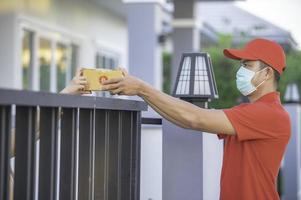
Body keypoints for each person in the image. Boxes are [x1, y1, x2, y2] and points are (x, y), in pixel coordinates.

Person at [62, 38, 291, 200]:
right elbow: (185, 120)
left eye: (247, 65)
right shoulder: (252, 112)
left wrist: (142, 88)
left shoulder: (269, 114)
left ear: (267, 73)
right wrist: (140, 90)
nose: (240, 71)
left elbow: (195, 118)